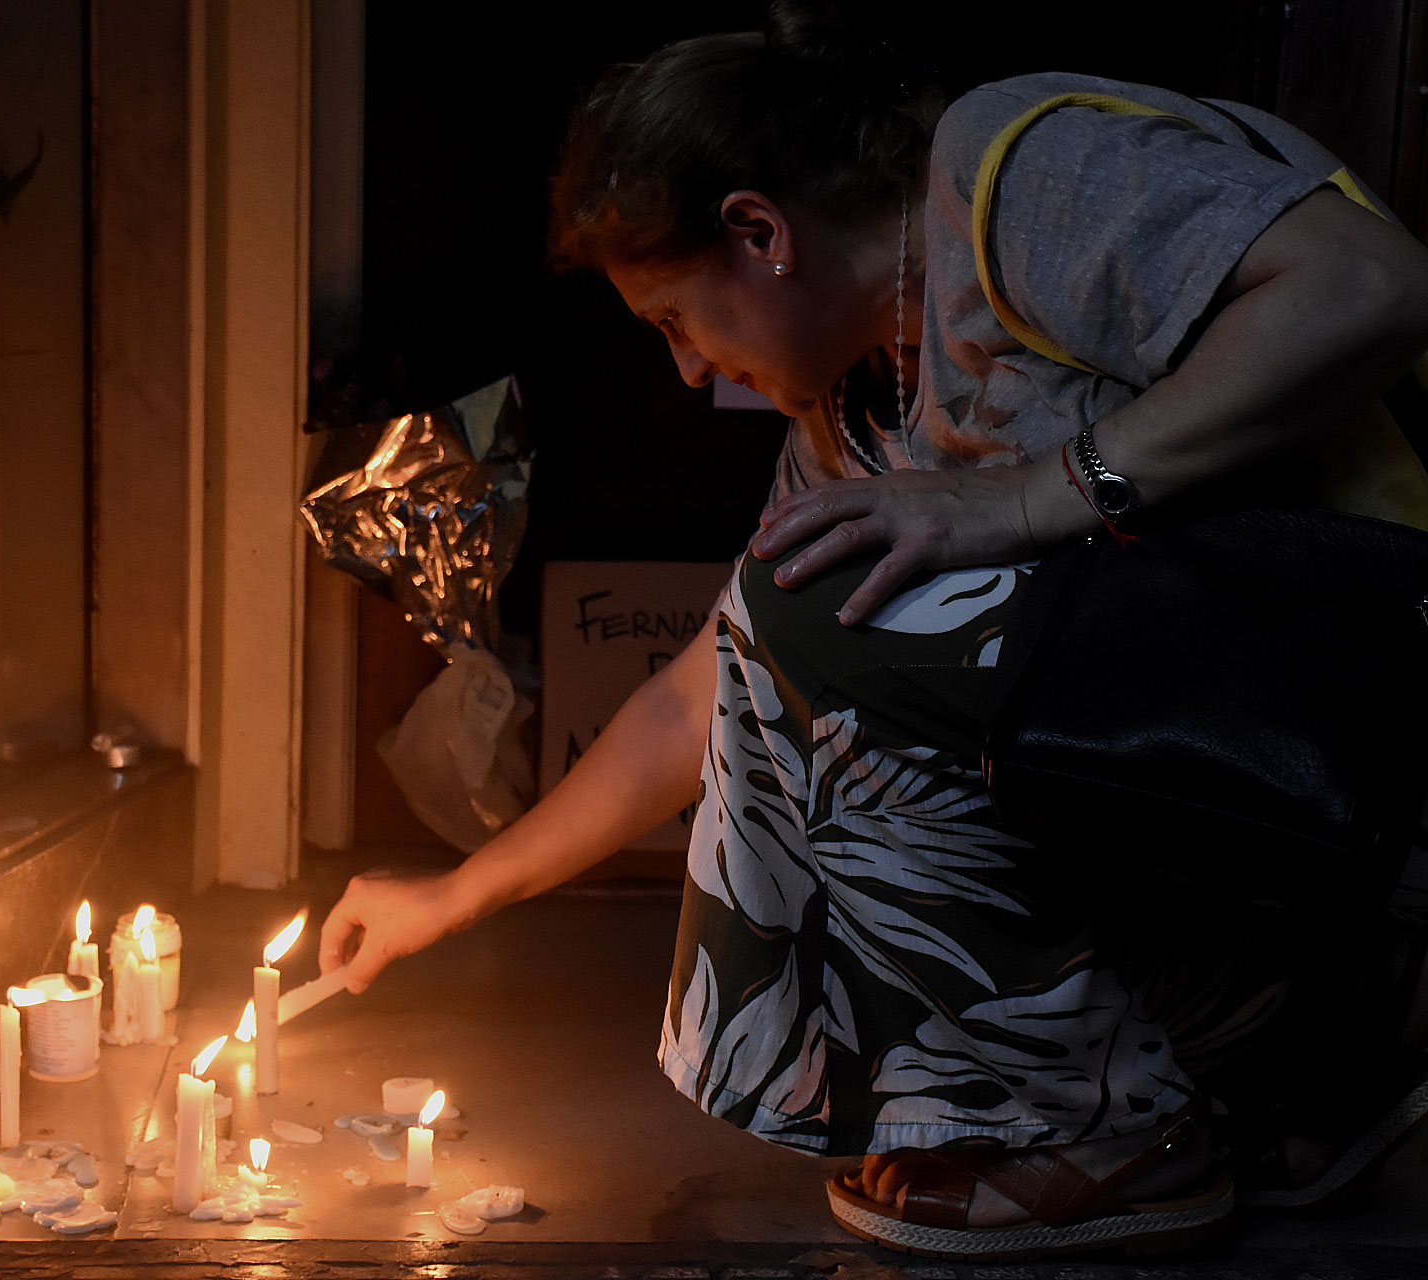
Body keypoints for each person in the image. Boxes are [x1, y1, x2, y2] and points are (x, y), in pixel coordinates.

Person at [317, 0, 1428, 1260]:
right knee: (794, 613)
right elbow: (702, 692)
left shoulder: (1009, 167)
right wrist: (460, 891)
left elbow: (1371, 283)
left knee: (826, 615)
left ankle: (1115, 1130)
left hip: (1368, 712)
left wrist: (1022, 496)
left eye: (676, 322)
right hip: (1233, 779)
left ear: (760, 232)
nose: (687, 373)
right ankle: (1279, 1064)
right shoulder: (858, 412)